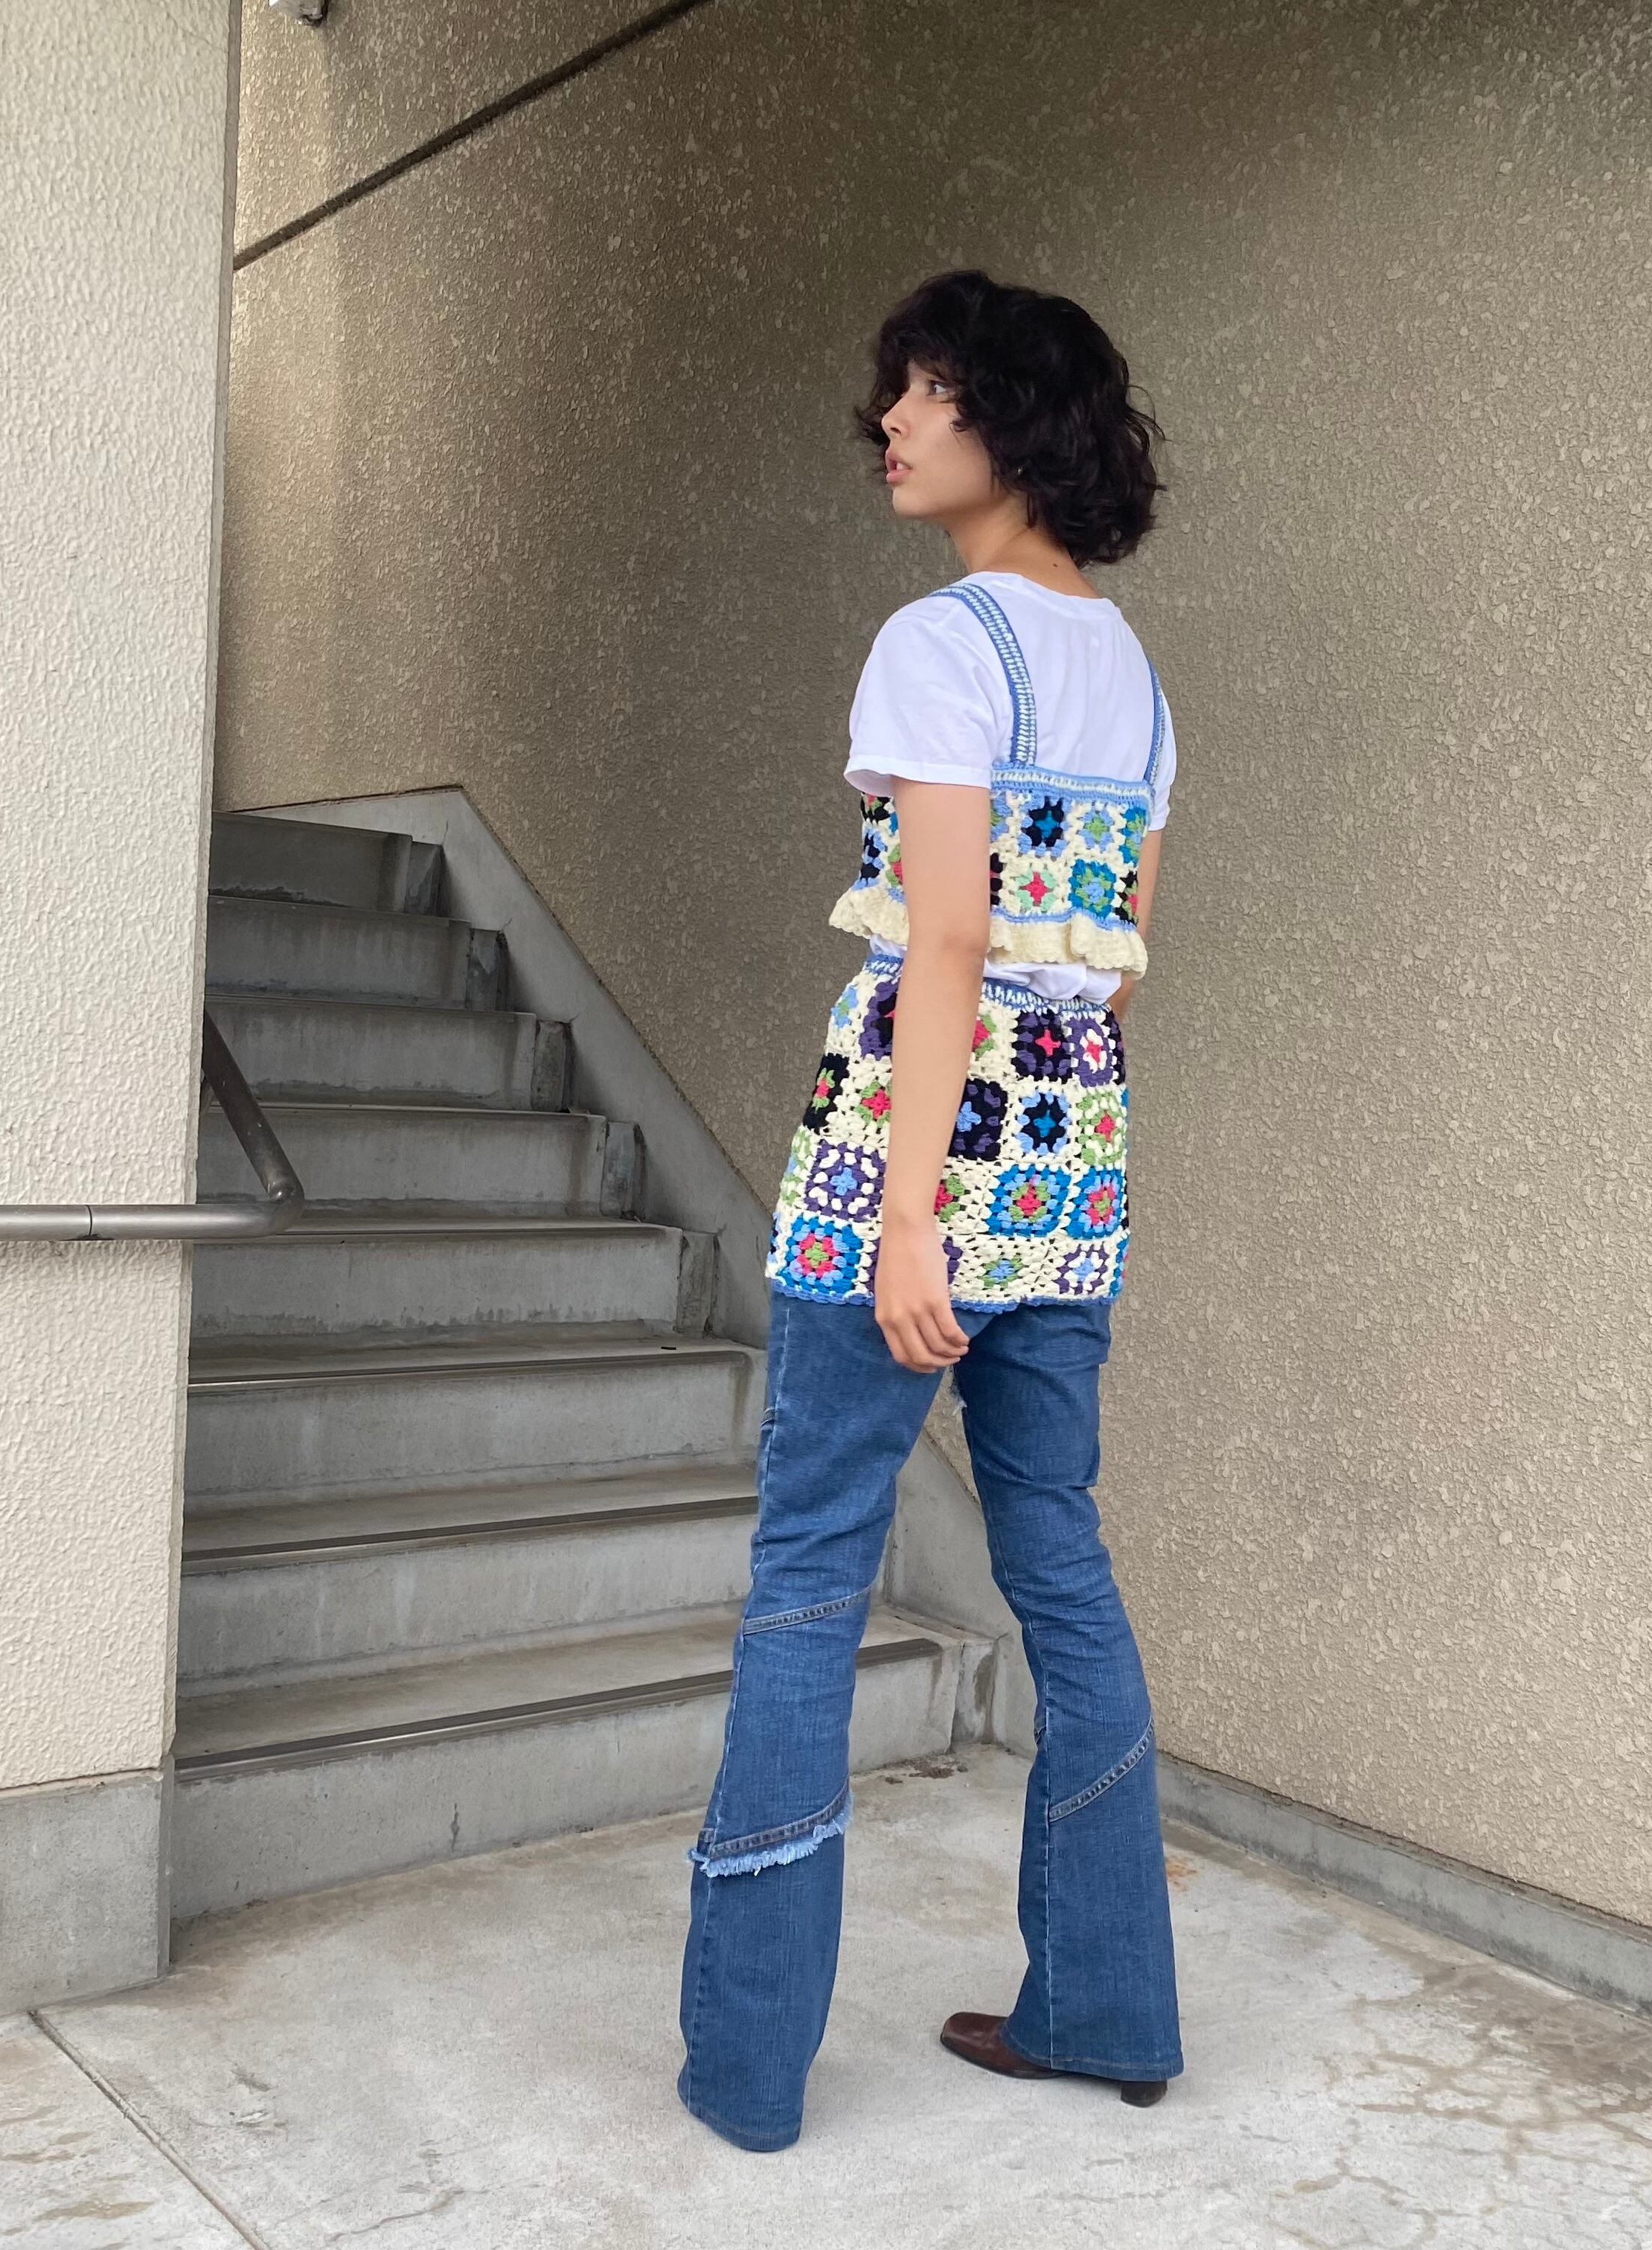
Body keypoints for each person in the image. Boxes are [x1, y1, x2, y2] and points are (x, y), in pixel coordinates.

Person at [675, 267, 1183, 2153]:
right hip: (1070, 1173)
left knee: (810, 1577)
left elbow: (949, 938)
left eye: (931, 391)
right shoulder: (1132, 676)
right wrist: (1019, 1185)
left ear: (1018, 423)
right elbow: (1109, 970)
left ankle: (747, 2068)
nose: (891, 421)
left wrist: (907, 1225)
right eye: (894, 391)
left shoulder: (938, 643)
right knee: (1062, 1561)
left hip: (911, 1170)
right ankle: (1109, 2007)